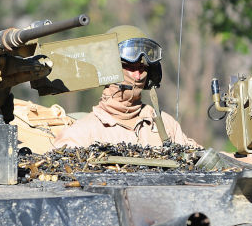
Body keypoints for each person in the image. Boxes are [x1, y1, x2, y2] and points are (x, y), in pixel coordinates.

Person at [53, 25, 199, 148]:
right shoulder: (82, 133)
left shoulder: (165, 125)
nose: (138, 75)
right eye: (129, 67)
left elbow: (203, 161)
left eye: (142, 67)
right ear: (108, 69)